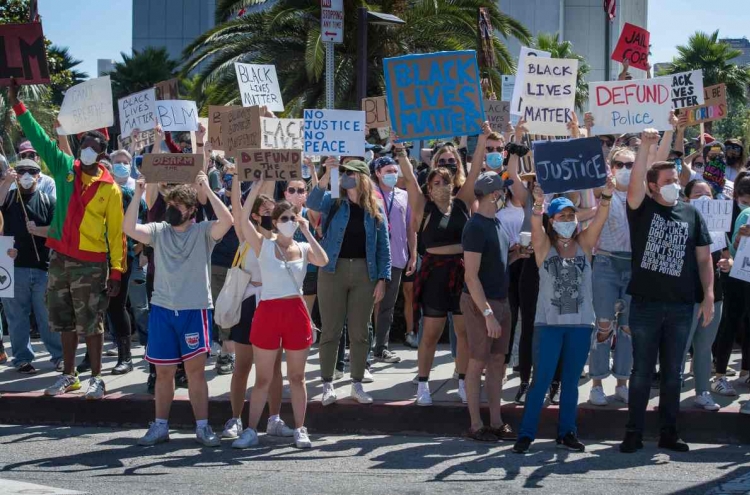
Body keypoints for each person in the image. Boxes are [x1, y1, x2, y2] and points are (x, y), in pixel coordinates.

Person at [9, 79, 125, 400]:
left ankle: (97, 378)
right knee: (63, 320)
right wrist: (19, 105)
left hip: (91, 263)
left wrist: (116, 271)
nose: (87, 148)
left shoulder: (110, 188)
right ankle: (69, 375)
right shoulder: (65, 169)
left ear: (102, 152)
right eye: (84, 142)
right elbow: (41, 140)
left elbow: (116, 234)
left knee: (92, 322)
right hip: (59, 258)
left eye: (94, 145)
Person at [620, 129, 714, 454]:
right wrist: (645, 147)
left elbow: (704, 259)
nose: (675, 182)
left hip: (680, 307)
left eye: (676, 177)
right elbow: (633, 188)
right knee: (642, 372)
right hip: (645, 305)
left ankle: (669, 432)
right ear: (652, 186)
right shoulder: (641, 208)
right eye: (669, 179)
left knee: (673, 374)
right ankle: (633, 432)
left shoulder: (691, 213)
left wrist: (709, 295)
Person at [129, 172, 233, 447]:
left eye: (177, 207)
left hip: (194, 310)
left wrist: (207, 189)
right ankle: (160, 425)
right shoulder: (159, 231)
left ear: (191, 211)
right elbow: (128, 228)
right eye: (169, 205)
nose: (171, 210)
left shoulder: (203, 231)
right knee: (163, 372)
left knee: (195, 372)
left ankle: (202, 427)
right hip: (163, 309)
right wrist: (139, 193)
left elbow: (228, 221)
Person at [512, 176, 614, 455]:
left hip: (581, 324)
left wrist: (605, 196)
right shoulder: (544, 246)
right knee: (540, 381)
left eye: (571, 214)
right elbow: (535, 226)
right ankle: (526, 434)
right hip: (549, 325)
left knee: (570, 383)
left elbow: (601, 218)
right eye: (562, 215)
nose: (568, 219)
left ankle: (567, 432)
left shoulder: (584, 244)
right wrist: (537, 204)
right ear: (552, 220)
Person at [232, 179, 328, 449]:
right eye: (283, 217)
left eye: (291, 217)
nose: (288, 221)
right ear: (274, 222)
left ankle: (300, 428)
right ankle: (251, 429)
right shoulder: (264, 245)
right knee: (263, 377)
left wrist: (307, 232)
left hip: (295, 312)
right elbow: (241, 217)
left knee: (297, 377)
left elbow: (323, 261)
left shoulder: (304, 247)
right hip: (269, 311)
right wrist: (256, 187)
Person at [397, 123, 488, 407]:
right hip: (434, 272)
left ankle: (462, 381)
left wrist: (483, 139)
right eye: (436, 182)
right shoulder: (423, 207)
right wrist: (400, 150)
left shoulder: (462, 202)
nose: (441, 186)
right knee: (432, 333)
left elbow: (474, 172)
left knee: (462, 332)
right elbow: (410, 179)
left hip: (462, 271)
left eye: (446, 182)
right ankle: (423, 384)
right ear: (429, 186)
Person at [307, 158, 391, 406]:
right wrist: (326, 174)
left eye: (350, 173)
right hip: (332, 270)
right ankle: (327, 384)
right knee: (331, 329)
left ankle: (356, 383)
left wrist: (382, 279)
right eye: (343, 173)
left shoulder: (375, 207)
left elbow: (383, 247)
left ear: (362, 177)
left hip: (365, 272)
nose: (345, 176)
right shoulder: (334, 201)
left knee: (360, 331)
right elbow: (311, 203)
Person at [221, 166, 295, 442]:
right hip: (248, 305)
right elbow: (239, 211)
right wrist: (245, 181)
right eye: (265, 212)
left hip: (273, 304)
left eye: (273, 213)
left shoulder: (281, 241)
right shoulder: (247, 237)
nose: (271, 216)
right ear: (255, 216)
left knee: (274, 368)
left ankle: (274, 419)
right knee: (242, 365)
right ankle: (235, 419)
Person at [461, 171, 515, 441]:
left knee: (496, 362)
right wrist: (487, 314)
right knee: (477, 361)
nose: (505, 194)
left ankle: (496, 421)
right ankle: (475, 425)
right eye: (502, 190)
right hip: (481, 303)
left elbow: (496, 263)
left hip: (500, 301)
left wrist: (517, 254)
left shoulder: (497, 224)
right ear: (494, 194)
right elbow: (471, 276)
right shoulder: (475, 227)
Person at [0, 159, 61, 374]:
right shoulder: (8, 198)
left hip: (43, 267)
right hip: (13, 268)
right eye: (22, 171)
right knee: (17, 317)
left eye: (31, 171)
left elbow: (57, 231)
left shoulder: (48, 200)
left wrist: (39, 230)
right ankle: (22, 358)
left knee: (48, 316)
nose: (26, 175)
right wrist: (6, 182)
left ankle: (59, 356)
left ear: (38, 175)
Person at [588, 146, 635, 406]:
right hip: (605, 262)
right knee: (604, 325)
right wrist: (582, 132)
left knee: (627, 327)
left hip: (633, 267)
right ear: (611, 166)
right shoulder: (602, 192)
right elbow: (588, 164)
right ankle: (596, 383)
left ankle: (622, 382)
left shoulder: (640, 196)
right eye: (620, 164)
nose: (625, 169)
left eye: (630, 165)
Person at [682, 179, 730, 411]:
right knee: (680, 347)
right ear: (686, 199)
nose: (703, 199)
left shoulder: (719, 226)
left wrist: (727, 262)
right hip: (685, 296)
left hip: (713, 295)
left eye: (708, 195)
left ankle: (703, 392)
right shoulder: (679, 223)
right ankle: (671, 393)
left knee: (704, 347)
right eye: (698, 194)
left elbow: (727, 255)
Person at [371, 156, 416, 363]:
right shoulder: (370, 194)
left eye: (394, 170)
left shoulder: (404, 196)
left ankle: (381, 347)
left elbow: (410, 227)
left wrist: (413, 253)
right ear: (378, 173)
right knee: (368, 304)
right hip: (373, 258)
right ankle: (363, 347)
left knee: (388, 306)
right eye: (387, 171)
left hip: (397, 256)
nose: (392, 174)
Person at [711, 173, 750, 397]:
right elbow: (735, 246)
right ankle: (720, 375)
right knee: (732, 321)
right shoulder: (745, 214)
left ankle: (745, 370)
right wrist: (741, 237)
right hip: (738, 276)